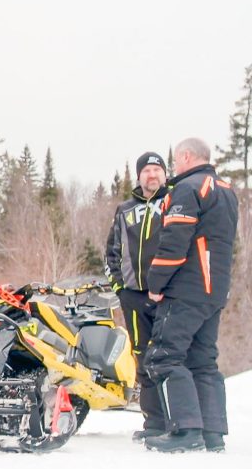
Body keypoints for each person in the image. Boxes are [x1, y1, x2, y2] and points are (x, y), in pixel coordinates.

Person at [143, 138, 238, 453]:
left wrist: (155, 284)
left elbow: (174, 242)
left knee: (164, 356)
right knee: (203, 359)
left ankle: (185, 430)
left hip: (186, 289)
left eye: (176, 160)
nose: (174, 166)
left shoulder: (187, 189)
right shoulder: (225, 190)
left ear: (186, 157)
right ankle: (212, 433)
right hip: (214, 290)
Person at [104, 151, 168, 442]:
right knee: (142, 357)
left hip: (168, 296)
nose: (152, 175)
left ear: (164, 174)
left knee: (169, 355)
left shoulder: (174, 203)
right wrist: (119, 287)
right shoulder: (125, 209)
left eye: (157, 170)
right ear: (139, 175)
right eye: (147, 171)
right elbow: (111, 251)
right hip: (133, 296)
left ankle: (179, 419)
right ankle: (153, 422)